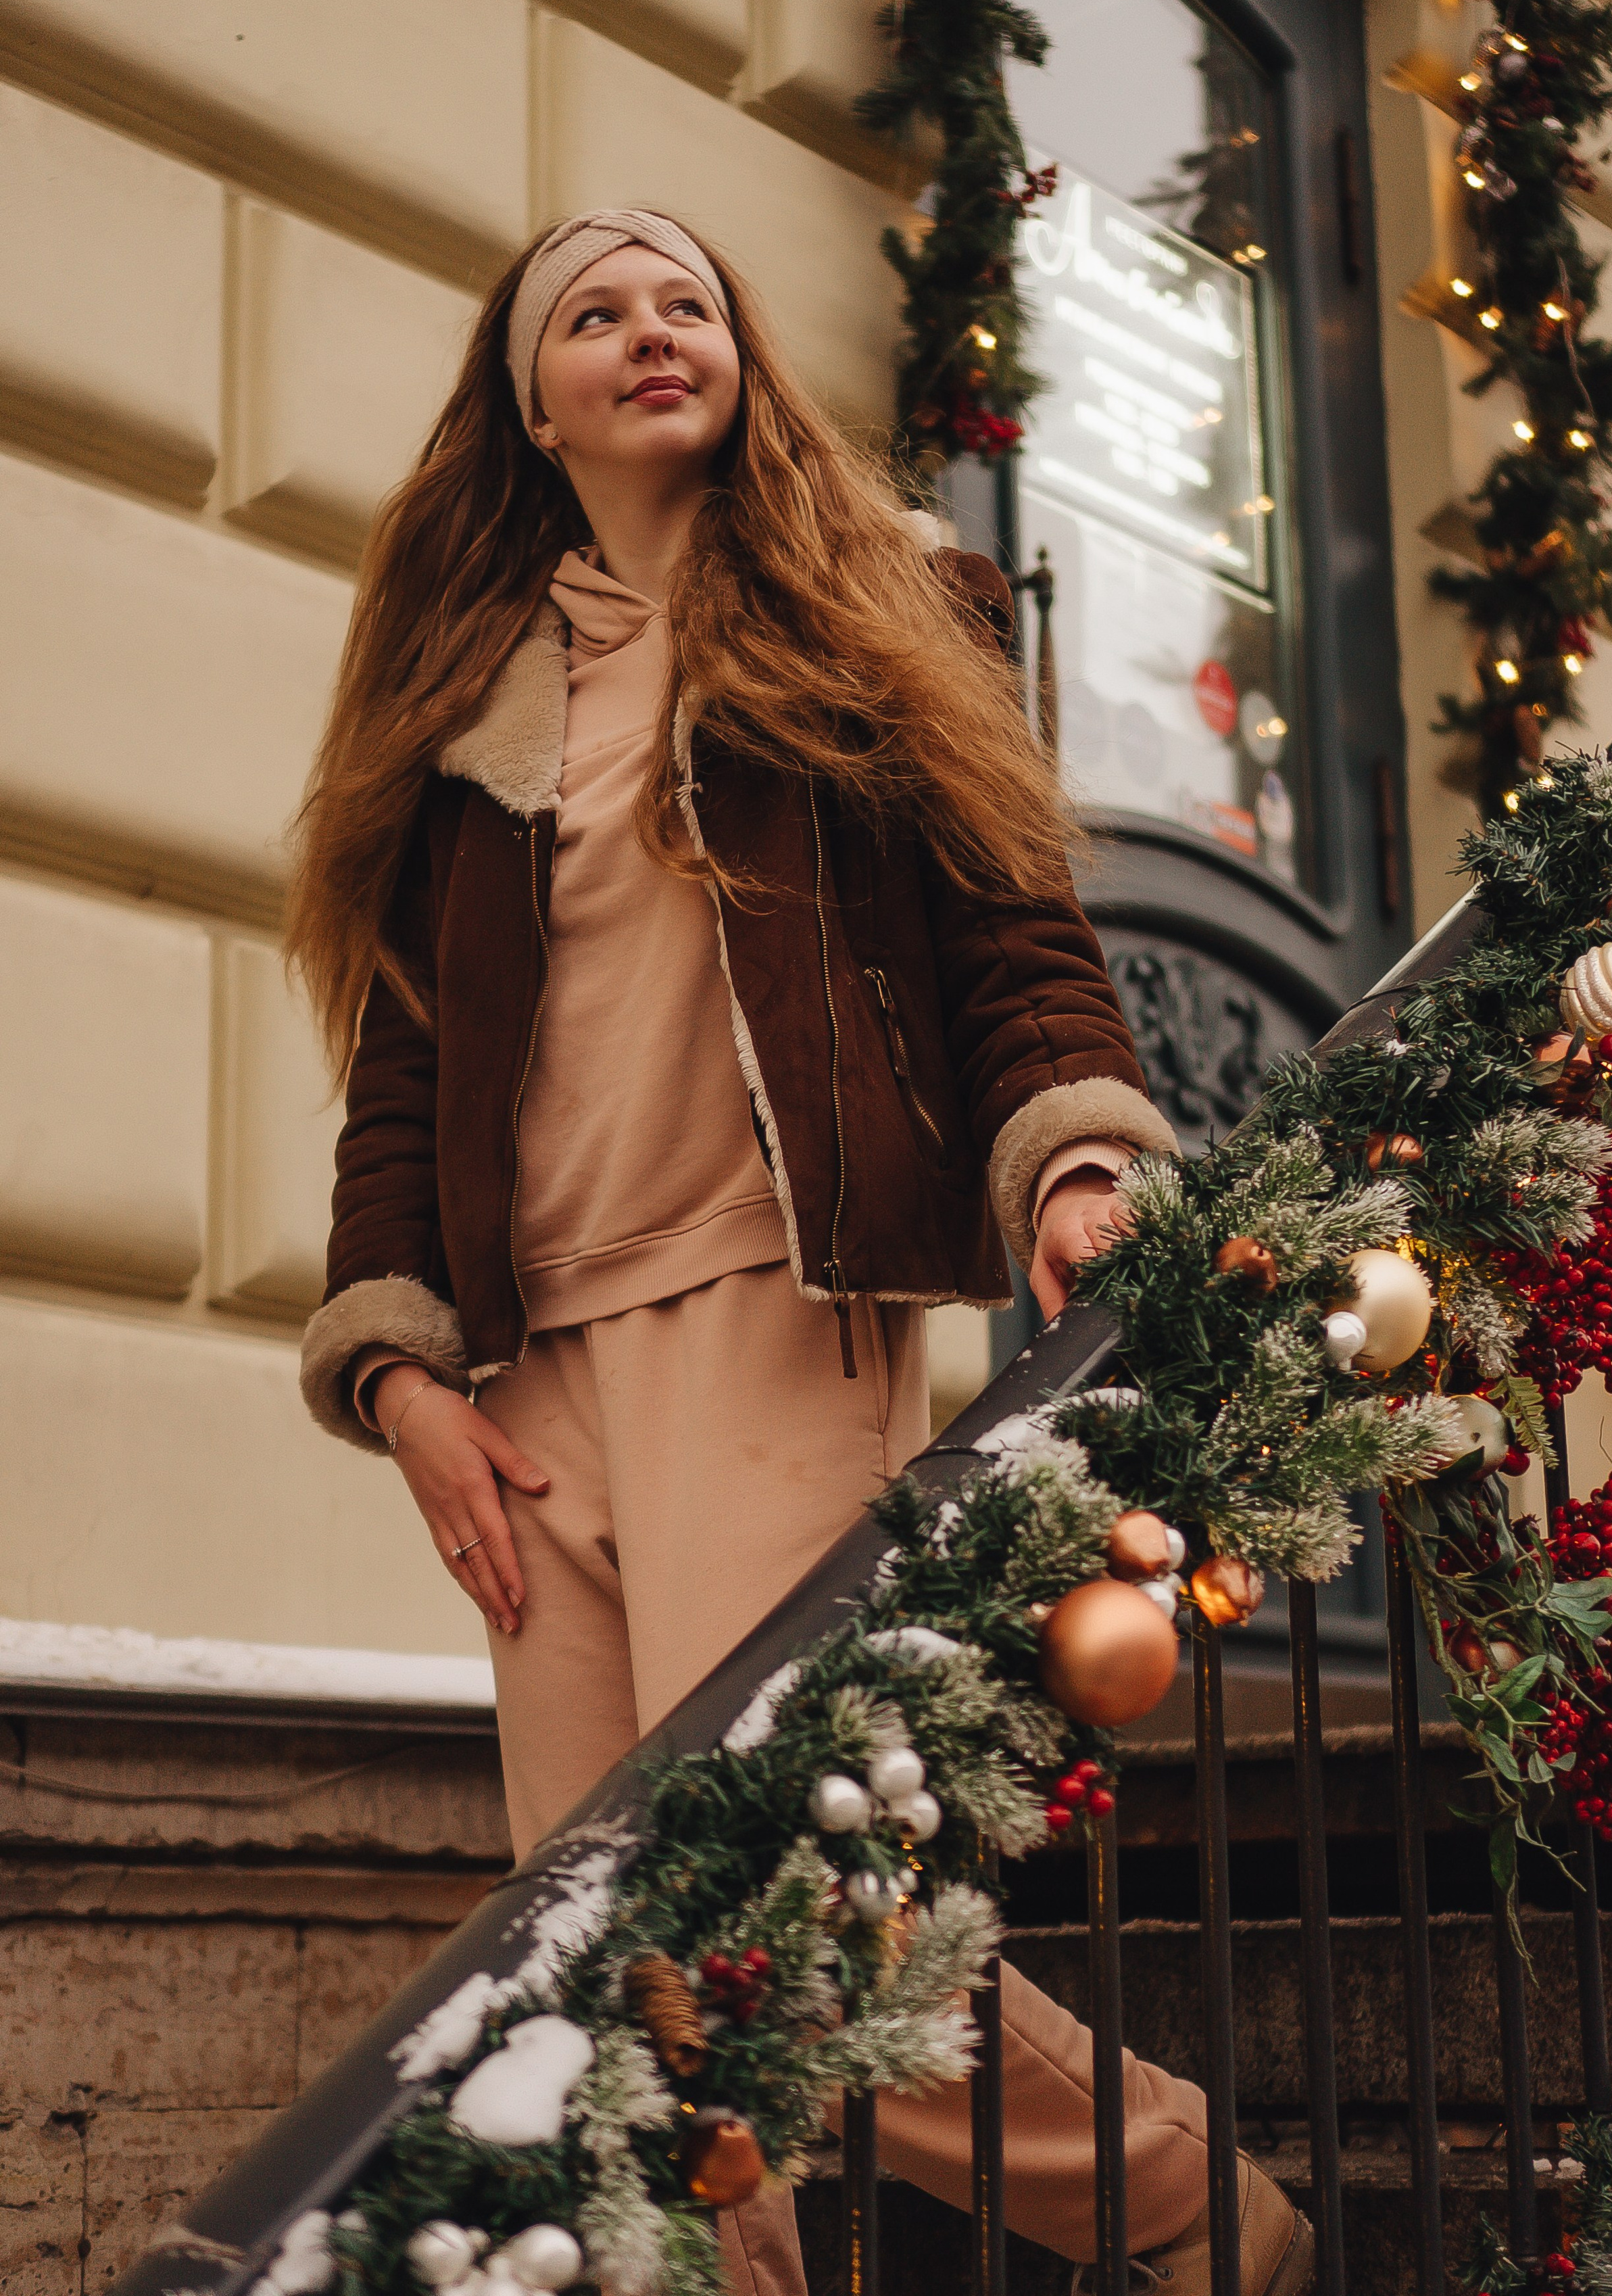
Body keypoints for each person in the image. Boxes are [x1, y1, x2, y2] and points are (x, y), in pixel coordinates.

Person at [288, 208, 1313, 2296]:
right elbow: (403, 1089)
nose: (651, 332)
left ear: (739, 356)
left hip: (773, 1311)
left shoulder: (872, 612)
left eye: (689, 301)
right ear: (531, 399)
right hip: (529, 1384)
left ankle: (1199, 2218)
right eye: (596, 313)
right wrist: (404, 1384)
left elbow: (1015, 933)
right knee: (613, 1996)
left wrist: (1073, 1166)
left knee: (779, 1923)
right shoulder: (469, 710)